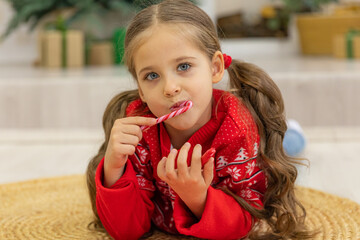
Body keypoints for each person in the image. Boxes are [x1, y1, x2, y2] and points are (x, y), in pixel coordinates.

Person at [86, 0, 315, 239]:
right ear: (141, 90)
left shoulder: (237, 129)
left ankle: (291, 134)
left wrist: (197, 197)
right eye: (152, 75)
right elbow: (125, 231)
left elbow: (244, 223)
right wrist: (113, 168)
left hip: (254, 140)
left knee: (285, 145)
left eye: (184, 66)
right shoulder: (139, 130)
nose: (170, 88)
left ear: (215, 68)